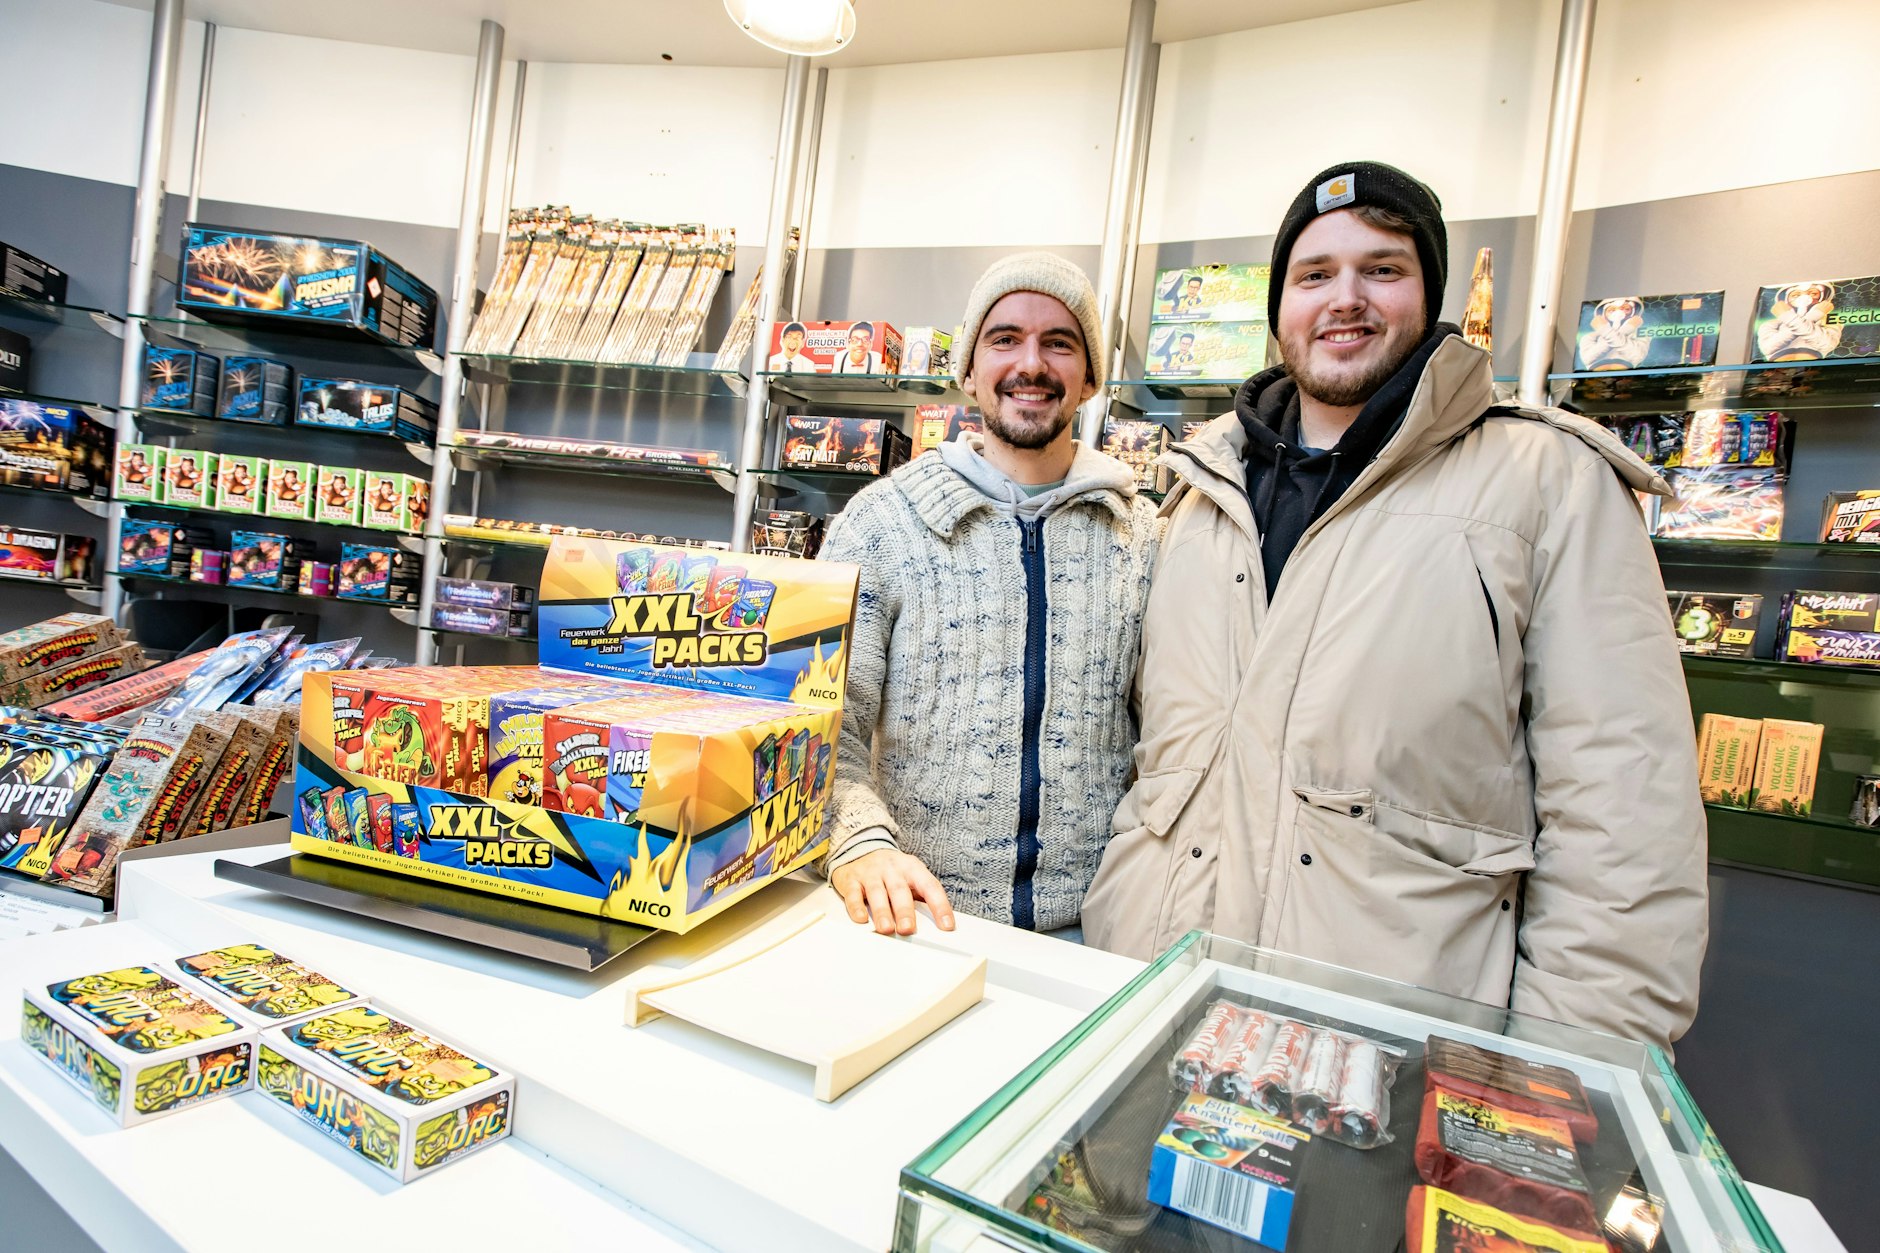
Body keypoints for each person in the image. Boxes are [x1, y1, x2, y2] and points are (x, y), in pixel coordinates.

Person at [1082, 162, 1708, 1050]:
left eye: (1382, 268)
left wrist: (1566, 1080)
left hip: (1388, 1046)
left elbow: (1625, 821)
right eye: (1314, 274)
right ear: (1280, 304)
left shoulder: (1549, 485)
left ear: (1430, 295)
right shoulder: (1197, 488)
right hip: (1152, 1007)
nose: (1346, 298)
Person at [818, 253, 1161, 937]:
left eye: (1058, 342)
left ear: (1090, 376)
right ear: (968, 370)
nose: (1030, 364)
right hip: (914, 923)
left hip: (1100, 933)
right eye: (1004, 339)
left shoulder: (1146, 536)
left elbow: (1173, 740)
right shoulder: (882, 523)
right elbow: (821, 722)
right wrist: (858, 840)